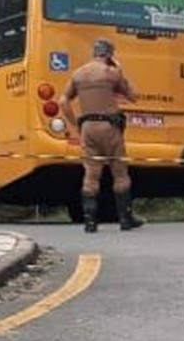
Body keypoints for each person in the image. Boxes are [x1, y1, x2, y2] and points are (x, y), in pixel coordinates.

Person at [59, 38, 143, 233]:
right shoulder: (111, 73)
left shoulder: (78, 74)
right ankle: (125, 218)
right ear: (110, 55)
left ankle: (90, 222)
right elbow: (133, 96)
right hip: (109, 126)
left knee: (91, 174)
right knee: (120, 173)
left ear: (94, 53)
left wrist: (76, 124)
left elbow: (63, 101)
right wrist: (119, 70)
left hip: (87, 127)